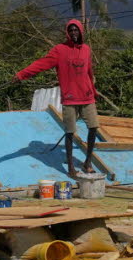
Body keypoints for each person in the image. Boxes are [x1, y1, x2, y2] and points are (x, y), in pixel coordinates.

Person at [14, 18, 98, 176]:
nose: (74, 33)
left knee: (93, 127)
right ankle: (71, 167)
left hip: (87, 97)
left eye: (76, 30)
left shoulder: (86, 49)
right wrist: (21, 74)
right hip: (70, 98)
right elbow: (41, 63)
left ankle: (87, 162)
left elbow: (89, 72)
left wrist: (93, 91)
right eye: (71, 30)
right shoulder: (60, 50)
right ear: (67, 32)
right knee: (70, 132)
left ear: (81, 31)